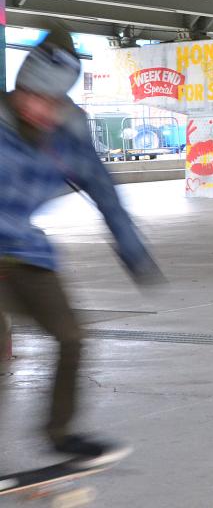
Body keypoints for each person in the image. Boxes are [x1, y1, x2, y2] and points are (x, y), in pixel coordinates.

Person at [0, 29, 162, 466]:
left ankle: (60, 433)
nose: (38, 109)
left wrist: (133, 251)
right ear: (19, 88)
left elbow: (104, 192)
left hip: (24, 249)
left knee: (71, 335)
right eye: (30, 97)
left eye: (49, 103)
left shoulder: (69, 135)